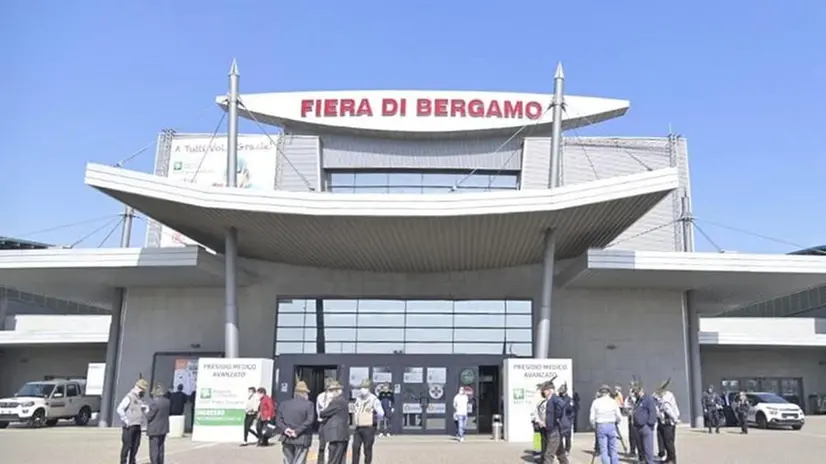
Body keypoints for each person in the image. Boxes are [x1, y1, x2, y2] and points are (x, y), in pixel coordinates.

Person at [275, 381, 316, 464]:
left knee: (287, 460)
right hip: (302, 437)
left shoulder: (284, 404)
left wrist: (286, 429)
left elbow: (278, 420)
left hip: (286, 437)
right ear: (305, 394)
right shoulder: (309, 405)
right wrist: (296, 431)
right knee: (299, 461)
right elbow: (310, 420)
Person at [116, 378, 149, 464]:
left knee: (135, 446)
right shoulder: (129, 397)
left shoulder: (140, 399)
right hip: (129, 426)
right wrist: (126, 420)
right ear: (138, 388)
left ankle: (132, 461)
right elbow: (120, 409)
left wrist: (145, 409)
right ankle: (123, 462)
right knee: (127, 446)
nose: (144, 392)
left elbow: (145, 410)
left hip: (138, 425)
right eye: (143, 390)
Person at [352, 379, 384, 464]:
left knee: (367, 449)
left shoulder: (374, 399)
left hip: (369, 428)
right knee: (355, 447)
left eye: (365, 387)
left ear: (369, 388)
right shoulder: (358, 399)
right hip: (358, 427)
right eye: (361, 387)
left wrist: (374, 418)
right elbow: (355, 409)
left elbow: (381, 413)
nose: (362, 389)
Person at [319, 380, 350, 464]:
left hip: (336, 434)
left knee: (333, 459)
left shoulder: (336, 401)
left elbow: (323, 413)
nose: (331, 393)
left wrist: (323, 411)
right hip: (342, 434)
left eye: (332, 391)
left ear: (337, 391)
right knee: (340, 459)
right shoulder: (342, 401)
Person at [590, 385, 621, 464]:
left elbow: (592, 417)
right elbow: (618, 415)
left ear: (601, 393)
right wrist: (617, 421)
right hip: (611, 425)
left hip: (601, 425)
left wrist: (594, 425)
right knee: (613, 449)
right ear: (609, 392)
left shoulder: (596, 402)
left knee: (604, 450)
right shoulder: (613, 401)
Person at [541, 380, 570, 464]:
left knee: (548, 455)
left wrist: (557, 418)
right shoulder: (551, 400)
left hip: (554, 430)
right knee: (561, 454)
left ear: (550, 390)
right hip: (553, 430)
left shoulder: (554, 399)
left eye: (545, 391)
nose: (544, 393)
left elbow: (562, 405)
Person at [631, 382, 658, 464]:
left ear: (641, 390)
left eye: (637, 392)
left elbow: (653, 412)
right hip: (637, 427)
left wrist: (649, 424)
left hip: (646, 427)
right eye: (635, 392)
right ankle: (642, 461)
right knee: (640, 448)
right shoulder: (638, 400)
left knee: (648, 449)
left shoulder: (648, 399)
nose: (636, 394)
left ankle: (650, 462)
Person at [654, 379, 679, 464]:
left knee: (669, 442)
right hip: (661, 421)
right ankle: (666, 457)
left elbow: (668, 408)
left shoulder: (667, 396)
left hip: (668, 422)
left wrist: (675, 418)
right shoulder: (657, 396)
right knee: (661, 441)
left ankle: (672, 459)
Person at [145, 384, 171, 464]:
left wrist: (145, 411)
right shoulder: (167, 402)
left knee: (154, 449)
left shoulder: (154, 403)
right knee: (161, 448)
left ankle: (154, 462)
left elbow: (149, 416)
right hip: (163, 428)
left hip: (154, 429)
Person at [316, 378, 334, 462]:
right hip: (331, 423)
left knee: (322, 446)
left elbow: (318, 411)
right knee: (332, 445)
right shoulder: (334, 397)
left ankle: (320, 462)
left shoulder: (320, 396)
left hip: (322, 423)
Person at [557, 383, 574, 455]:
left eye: (562, 392)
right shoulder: (558, 398)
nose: (561, 393)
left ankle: (567, 450)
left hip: (567, 420)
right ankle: (560, 450)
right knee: (559, 437)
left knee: (567, 437)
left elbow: (571, 410)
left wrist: (570, 420)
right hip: (560, 420)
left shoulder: (569, 399)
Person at [623, 384, 640, 459]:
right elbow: (625, 407)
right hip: (631, 418)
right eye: (631, 391)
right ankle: (632, 450)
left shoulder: (638, 398)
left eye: (633, 391)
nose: (632, 393)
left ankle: (640, 451)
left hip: (638, 418)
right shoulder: (628, 399)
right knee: (632, 435)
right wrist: (628, 411)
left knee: (638, 435)